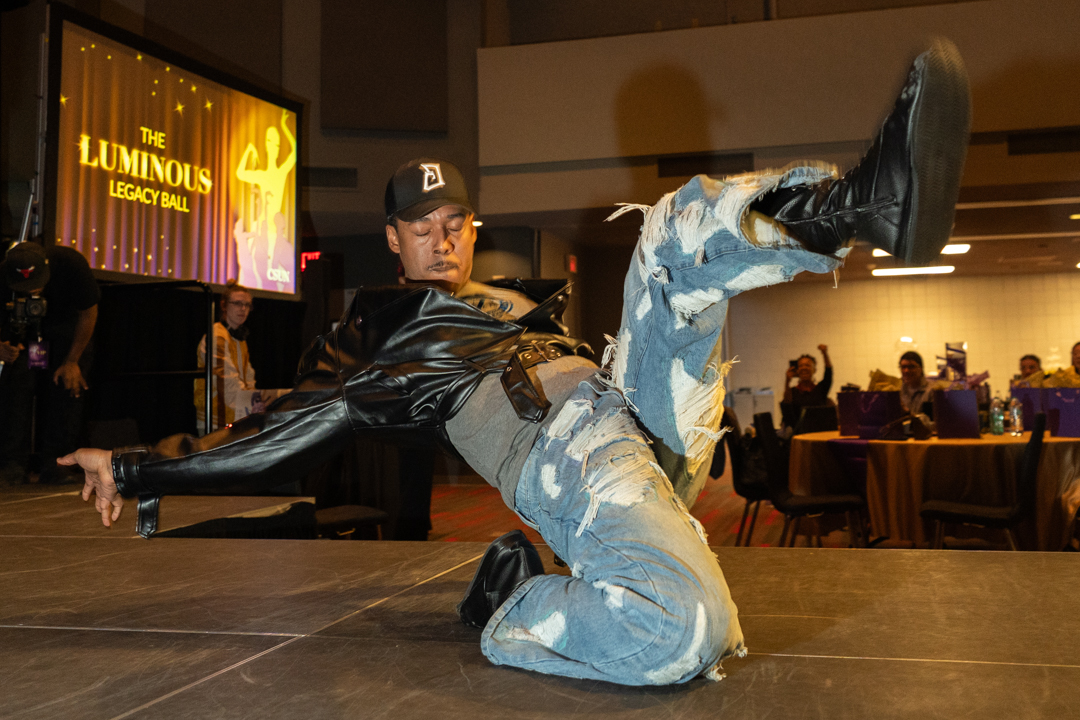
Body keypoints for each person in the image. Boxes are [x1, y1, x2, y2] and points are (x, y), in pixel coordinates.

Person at [63, 39, 971, 686]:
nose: (443, 239)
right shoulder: (376, 336)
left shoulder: (511, 299)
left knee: (670, 236)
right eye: (421, 228)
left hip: (643, 413)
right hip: (570, 458)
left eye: (455, 223)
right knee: (687, 630)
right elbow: (279, 437)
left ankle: (867, 205)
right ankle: (518, 599)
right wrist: (139, 468)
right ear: (392, 239)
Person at [0, 241, 100, 485]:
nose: (32, 290)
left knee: (67, 389)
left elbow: (88, 313)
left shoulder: (70, 263)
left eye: (36, 283)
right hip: (25, 334)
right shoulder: (3, 269)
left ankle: (57, 464)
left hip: (68, 332)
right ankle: (12, 465)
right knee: (16, 390)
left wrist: (73, 360)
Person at [194, 280, 285, 434]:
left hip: (236, 416)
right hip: (216, 419)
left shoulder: (239, 338)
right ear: (224, 306)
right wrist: (252, 404)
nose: (243, 309)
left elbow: (248, 377)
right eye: (237, 303)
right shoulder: (217, 336)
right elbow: (227, 382)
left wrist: (255, 402)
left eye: (247, 305)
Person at [781, 344, 832, 427]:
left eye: (807, 365)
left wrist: (824, 353)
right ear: (797, 370)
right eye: (801, 366)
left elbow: (828, 373)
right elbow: (787, 405)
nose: (804, 368)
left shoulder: (820, 389)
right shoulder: (793, 392)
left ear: (814, 370)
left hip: (818, 430)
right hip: (799, 432)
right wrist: (787, 382)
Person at [898, 350, 932, 415]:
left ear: (920, 369)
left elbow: (930, 419)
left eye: (911, 367)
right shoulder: (898, 390)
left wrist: (907, 413)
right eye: (903, 367)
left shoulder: (930, 391)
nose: (906, 371)